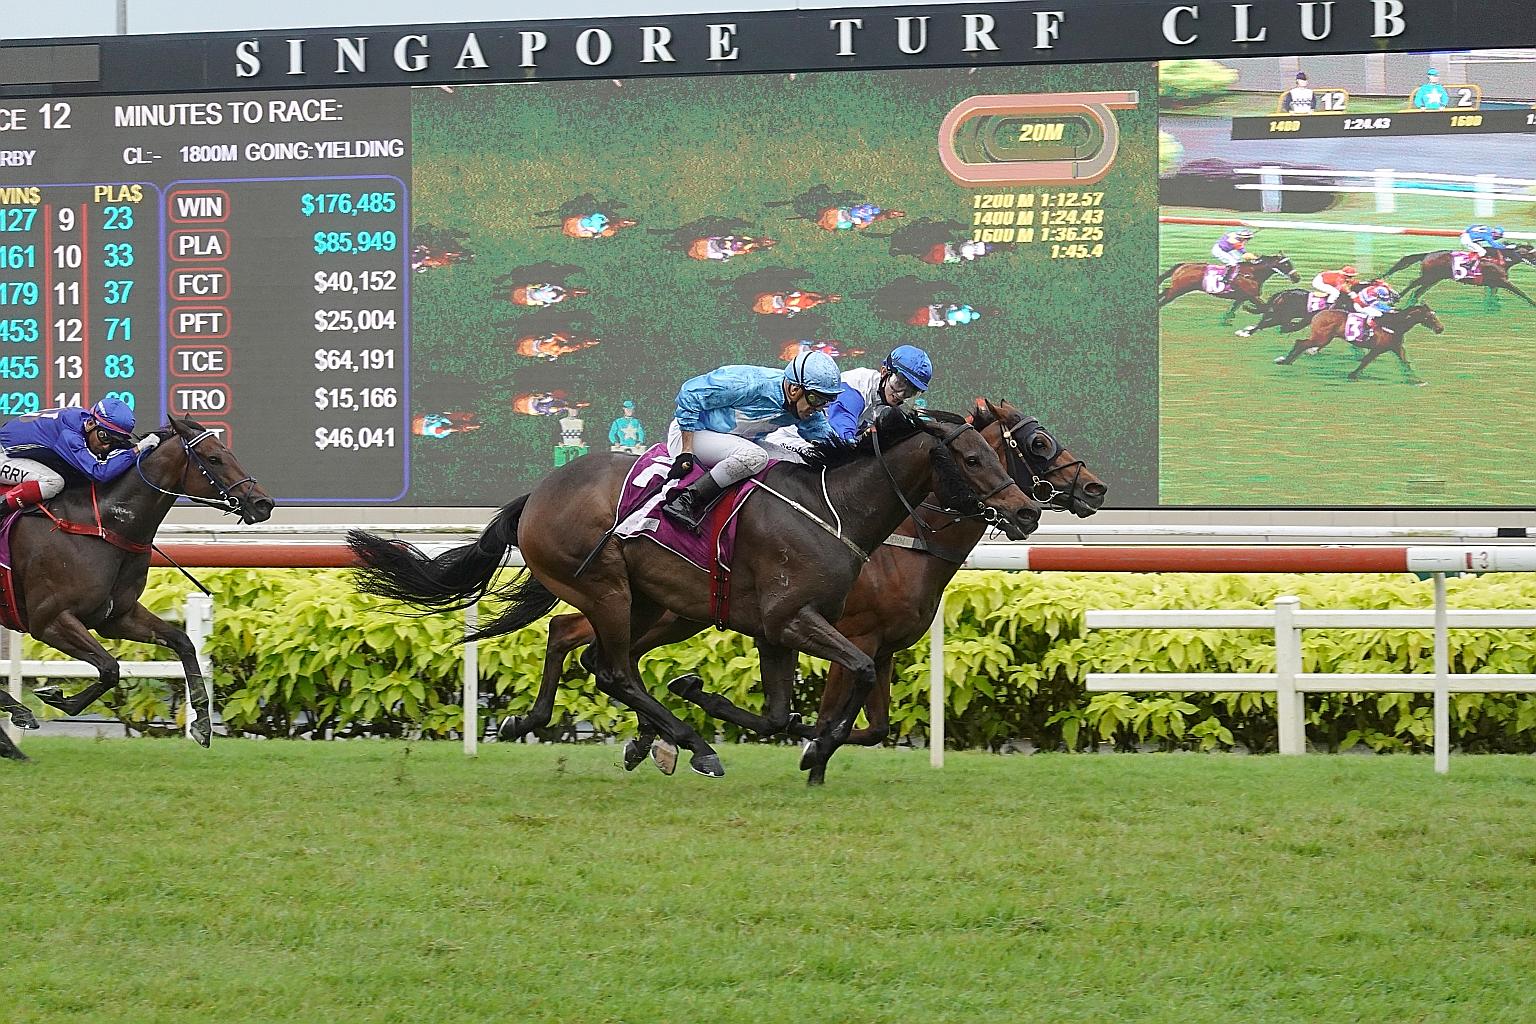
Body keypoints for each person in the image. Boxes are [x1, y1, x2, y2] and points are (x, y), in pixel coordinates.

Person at [662, 352, 841, 530]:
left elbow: (827, 439)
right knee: (755, 456)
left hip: (735, 441)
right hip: (692, 434)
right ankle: (685, 500)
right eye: (816, 399)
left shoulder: (805, 407)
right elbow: (690, 393)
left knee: (798, 461)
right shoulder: (748, 383)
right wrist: (686, 450)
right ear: (794, 390)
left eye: (826, 401)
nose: (818, 408)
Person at [0, 398, 159, 511]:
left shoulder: (85, 420)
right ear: (90, 424)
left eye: (115, 441)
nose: (106, 446)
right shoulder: (70, 436)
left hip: (19, 452)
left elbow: (120, 448)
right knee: (53, 482)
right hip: (4, 456)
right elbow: (99, 472)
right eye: (104, 437)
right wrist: (137, 450)